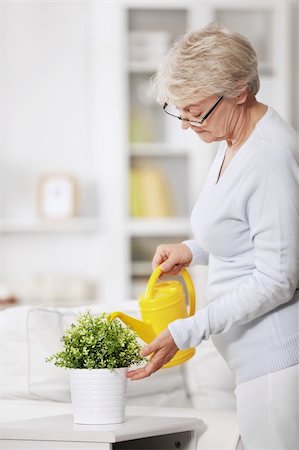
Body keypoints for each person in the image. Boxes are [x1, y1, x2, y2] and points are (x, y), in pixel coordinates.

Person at [127, 23, 299, 450]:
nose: (185, 124)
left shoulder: (271, 157)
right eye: (178, 109)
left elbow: (279, 277)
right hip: (255, 365)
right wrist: (192, 249)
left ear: (239, 91)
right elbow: (246, 231)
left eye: (194, 110)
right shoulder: (233, 137)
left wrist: (190, 330)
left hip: (278, 363)